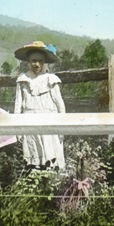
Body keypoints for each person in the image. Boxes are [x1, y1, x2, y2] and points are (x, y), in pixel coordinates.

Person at [13, 41, 66, 169]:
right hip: (29, 121)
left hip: (49, 121)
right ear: (28, 62)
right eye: (34, 61)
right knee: (33, 153)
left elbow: (60, 104)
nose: (37, 64)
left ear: (45, 63)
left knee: (50, 151)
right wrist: (17, 129)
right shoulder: (23, 79)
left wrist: (63, 128)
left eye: (40, 61)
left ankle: (51, 178)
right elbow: (18, 104)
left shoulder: (50, 79)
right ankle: (34, 178)